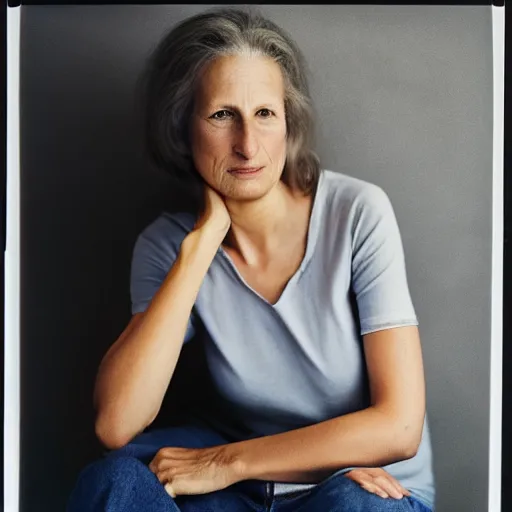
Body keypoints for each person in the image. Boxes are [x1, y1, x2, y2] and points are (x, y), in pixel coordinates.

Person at [67, 7, 435, 512]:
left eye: (264, 113)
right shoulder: (168, 243)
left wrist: (225, 462)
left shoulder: (357, 213)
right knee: (115, 482)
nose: (247, 145)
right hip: (235, 497)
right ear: (183, 126)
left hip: (355, 484)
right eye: (222, 115)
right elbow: (116, 422)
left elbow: (400, 426)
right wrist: (201, 245)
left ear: (288, 121)